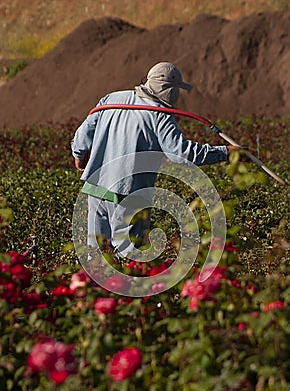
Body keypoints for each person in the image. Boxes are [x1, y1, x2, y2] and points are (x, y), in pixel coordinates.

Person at [71, 62, 237, 258]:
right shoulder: (161, 114)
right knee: (128, 256)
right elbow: (182, 153)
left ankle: (96, 288)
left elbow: (83, 135)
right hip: (129, 191)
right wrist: (225, 152)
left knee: (96, 254)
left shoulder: (111, 99)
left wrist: (79, 156)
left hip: (96, 186)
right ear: (170, 89)